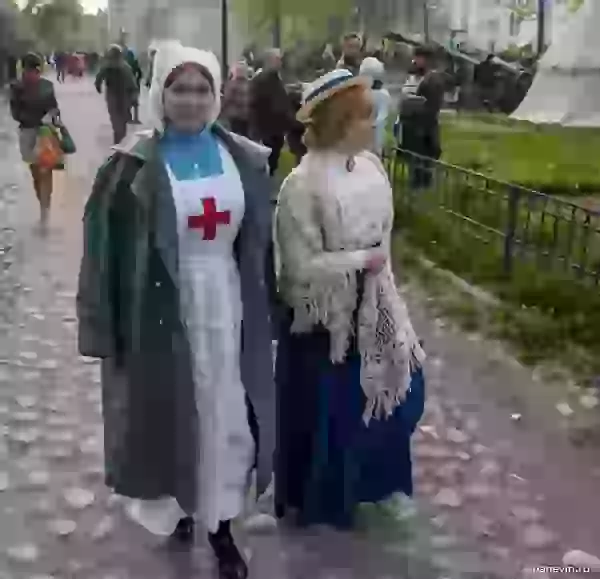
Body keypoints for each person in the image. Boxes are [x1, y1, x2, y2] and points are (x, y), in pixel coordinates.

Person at [76, 44, 276, 579]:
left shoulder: (242, 157)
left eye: (201, 89)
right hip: (160, 307)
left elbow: (260, 244)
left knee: (226, 412)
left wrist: (273, 307)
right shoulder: (132, 165)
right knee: (171, 412)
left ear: (216, 95)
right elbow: (102, 254)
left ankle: (222, 524)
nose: (190, 100)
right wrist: (102, 327)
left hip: (226, 304)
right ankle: (181, 505)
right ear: (159, 92)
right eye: (179, 88)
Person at [274, 69, 426, 529]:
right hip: (325, 325)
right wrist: (360, 262)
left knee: (397, 394)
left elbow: (385, 238)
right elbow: (297, 268)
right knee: (333, 411)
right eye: (364, 117)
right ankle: (323, 496)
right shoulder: (302, 184)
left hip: (374, 309)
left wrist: (385, 293)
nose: (373, 125)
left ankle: (377, 485)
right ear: (341, 121)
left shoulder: (373, 169)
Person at [9, 52, 60, 229]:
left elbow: (15, 113)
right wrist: (48, 118)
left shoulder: (17, 86)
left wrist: (42, 118)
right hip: (41, 132)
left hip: (34, 133)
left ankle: (44, 209)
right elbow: (54, 109)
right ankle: (44, 206)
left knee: (41, 172)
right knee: (40, 172)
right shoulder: (22, 86)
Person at [249, 47, 294, 176]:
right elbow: (256, 105)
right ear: (269, 61)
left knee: (272, 164)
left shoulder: (275, 79)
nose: (280, 62)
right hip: (266, 131)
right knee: (266, 165)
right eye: (277, 59)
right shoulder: (261, 81)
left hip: (276, 131)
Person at [95, 45, 139, 144]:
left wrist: (98, 86)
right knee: (119, 120)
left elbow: (98, 79)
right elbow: (133, 84)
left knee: (118, 120)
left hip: (119, 95)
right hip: (119, 95)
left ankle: (119, 139)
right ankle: (119, 139)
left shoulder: (119, 67)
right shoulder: (123, 67)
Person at [359, 56, 391, 156]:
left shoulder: (362, 93)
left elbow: (382, 116)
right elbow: (383, 116)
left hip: (368, 137)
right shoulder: (383, 95)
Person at [220, 61, 252, 137]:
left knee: (235, 138)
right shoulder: (250, 85)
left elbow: (226, 100)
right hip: (247, 117)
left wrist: (221, 110)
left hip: (234, 117)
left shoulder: (231, 85)